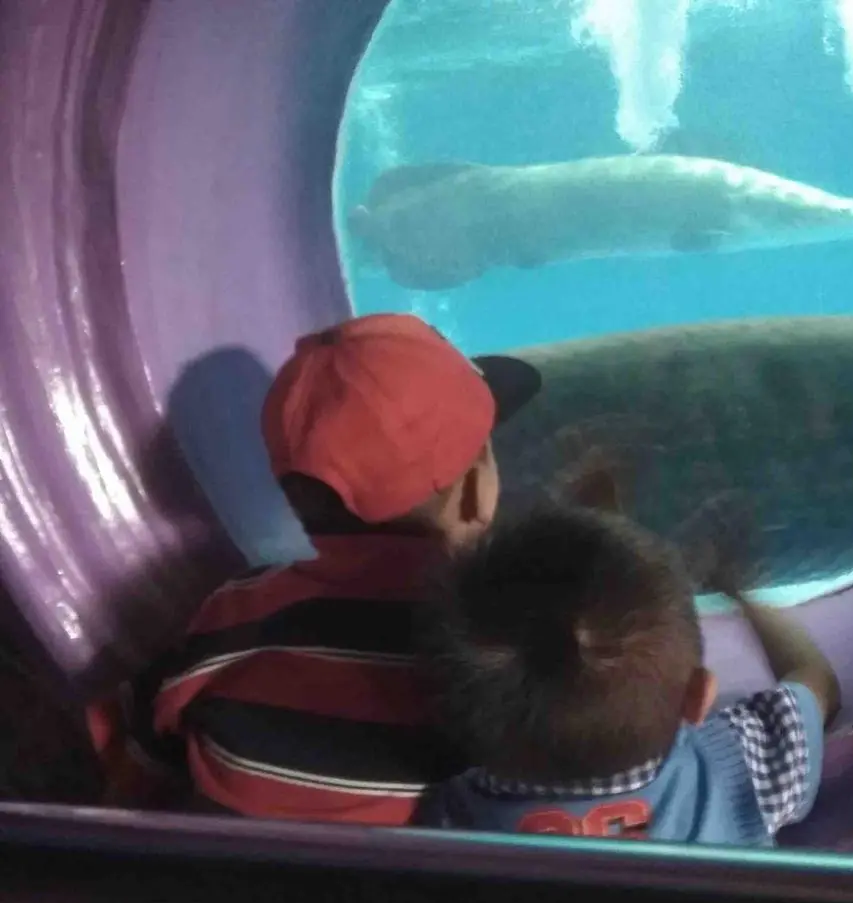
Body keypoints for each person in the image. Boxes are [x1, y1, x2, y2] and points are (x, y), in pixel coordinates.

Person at [89, 312, 541, 823]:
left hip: (232, 868)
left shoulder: (235, 614)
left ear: (293, 499)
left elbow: (136, 771)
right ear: (475, 493)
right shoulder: (504, 644)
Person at [418, 499, 841, 845]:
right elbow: (814, 680)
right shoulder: (736, 761)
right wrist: (741, 592)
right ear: (699, 696)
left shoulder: (450, 821)